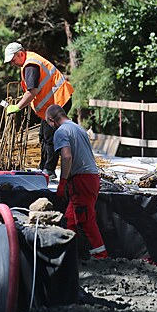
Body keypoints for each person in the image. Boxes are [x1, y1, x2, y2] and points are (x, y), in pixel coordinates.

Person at [3, 42, 74, 180]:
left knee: (50, 137)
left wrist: (17, 107)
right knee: (44, 135)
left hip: (59, 101)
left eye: (13, 60)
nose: (13, 63)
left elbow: (32, 92)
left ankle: (49, 171)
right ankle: (44, 168)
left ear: (21, 54)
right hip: (52, 104)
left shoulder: (30, 65)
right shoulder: (29, 61)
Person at [45, 104, 108, 259]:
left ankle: (101, 256)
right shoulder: (78, 128)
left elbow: (66, 156)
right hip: (90, 178)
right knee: (71, 220)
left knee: (85, 219)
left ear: (52, 120)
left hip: (81, 179)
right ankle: (71, 256)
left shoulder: (61, 132)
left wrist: (63, 182)